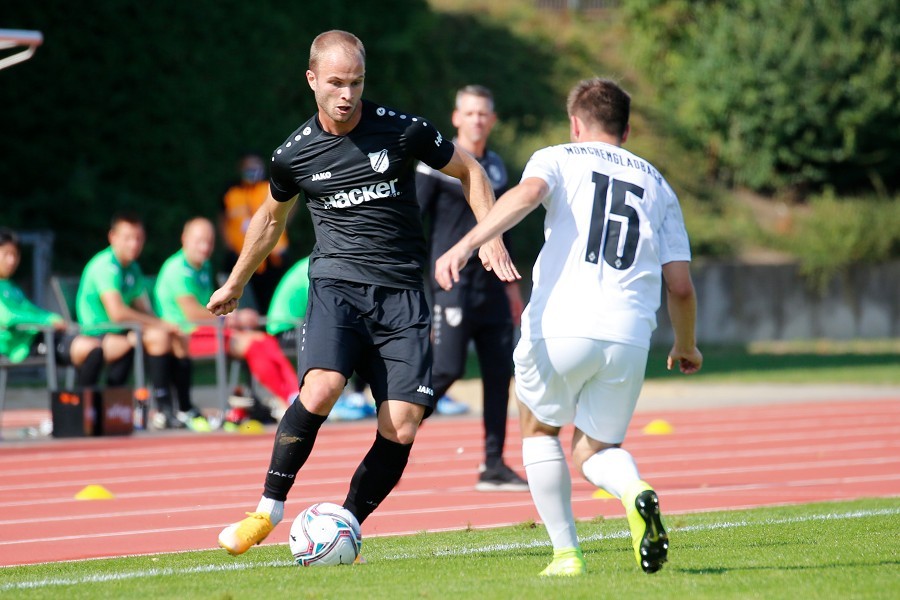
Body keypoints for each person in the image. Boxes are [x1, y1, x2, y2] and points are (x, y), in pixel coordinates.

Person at [208, 30, 517, 556]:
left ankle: (346, 523)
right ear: (312, 80)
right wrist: (235, 282)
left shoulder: (404, 130)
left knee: (403, 424)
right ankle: (266, 510)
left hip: (402, 294)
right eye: (335, 83)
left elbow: (470, 170)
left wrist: (489, 235)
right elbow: (269, 220)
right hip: (337, 286)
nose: (346, 94)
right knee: (322, 387)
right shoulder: (293, 154)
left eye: (356, 82)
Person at [434, 78, 703, 577]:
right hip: (629, 333)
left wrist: (468, 243)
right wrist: (686, 345)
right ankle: (634, 489)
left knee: (539, 430)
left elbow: (527, 194)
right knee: (595, 449)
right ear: (626, 130)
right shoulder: (659, 186)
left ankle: (566, 554)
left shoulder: (557, 156)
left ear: (575, 124)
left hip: (561, 323)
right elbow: (681, 287)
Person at [416, 84, 528, 491]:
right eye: (470, 113)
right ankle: (396, 431)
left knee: (500, 374)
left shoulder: (496, 167)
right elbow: (413, 221)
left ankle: (493, 465)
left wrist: (512, 289)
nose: (477, 120)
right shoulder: (435, 164)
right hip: (453, 284)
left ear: (492, 120)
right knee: (447, 367)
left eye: (484, 113)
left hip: (493, 287)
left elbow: (504, 226)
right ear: (456, 117)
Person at [154, 217, 300, 411]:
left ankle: (295, 395)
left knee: (265, 341)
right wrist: (234, 318)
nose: (205, 247)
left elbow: (210, 307)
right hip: (185, 336)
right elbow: (192, 314)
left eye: (209, 242)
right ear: (185, 238)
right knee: (252, 344)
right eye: (199, 241)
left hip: (206, 331)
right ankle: (286, 401)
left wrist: (232, 317)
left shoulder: (203, 267)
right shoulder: (177, 269)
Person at [76, 213, 206, 430]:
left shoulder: (132, 268)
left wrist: (166, 325)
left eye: (138, 238)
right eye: (127, 238)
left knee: (172, 335)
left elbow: (143, 309)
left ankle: (179, 408)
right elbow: (117, 313)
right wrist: (158, 324)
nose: (134, 244)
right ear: (112, 237)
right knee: (154, 336)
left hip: (122, 332)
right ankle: (158, 407)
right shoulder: (105, 266)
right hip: (97, 334)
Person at [266, 255, 374, 422]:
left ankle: (351, 395)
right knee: (350, 337)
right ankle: (346, 396)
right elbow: (323, 306)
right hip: (284, 330)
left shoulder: (314, 263)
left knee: (354, 335)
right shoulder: (315, 267)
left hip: (290, 326)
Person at [0, 228, 105, 388]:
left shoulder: (11, 287)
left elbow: (32, 310)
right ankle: (83, 401)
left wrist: (52, 319)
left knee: (93, 348)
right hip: (20, 347)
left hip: (38, 337)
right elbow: (7, 317)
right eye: (6, 254)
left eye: (15, 255)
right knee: (90, 349)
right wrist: (47, 321)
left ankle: (85, 399)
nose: (11, 260)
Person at [220, 152, 291, 313]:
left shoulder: (270, 187)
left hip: (273, 257)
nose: (252, 171)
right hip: (241, 256)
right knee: (246, 304)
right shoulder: (232, 192)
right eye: (248, 167)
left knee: (272, 301)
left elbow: (290, 204)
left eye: (256, 166)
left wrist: (283, 223)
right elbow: (223, 219)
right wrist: (228, 244)